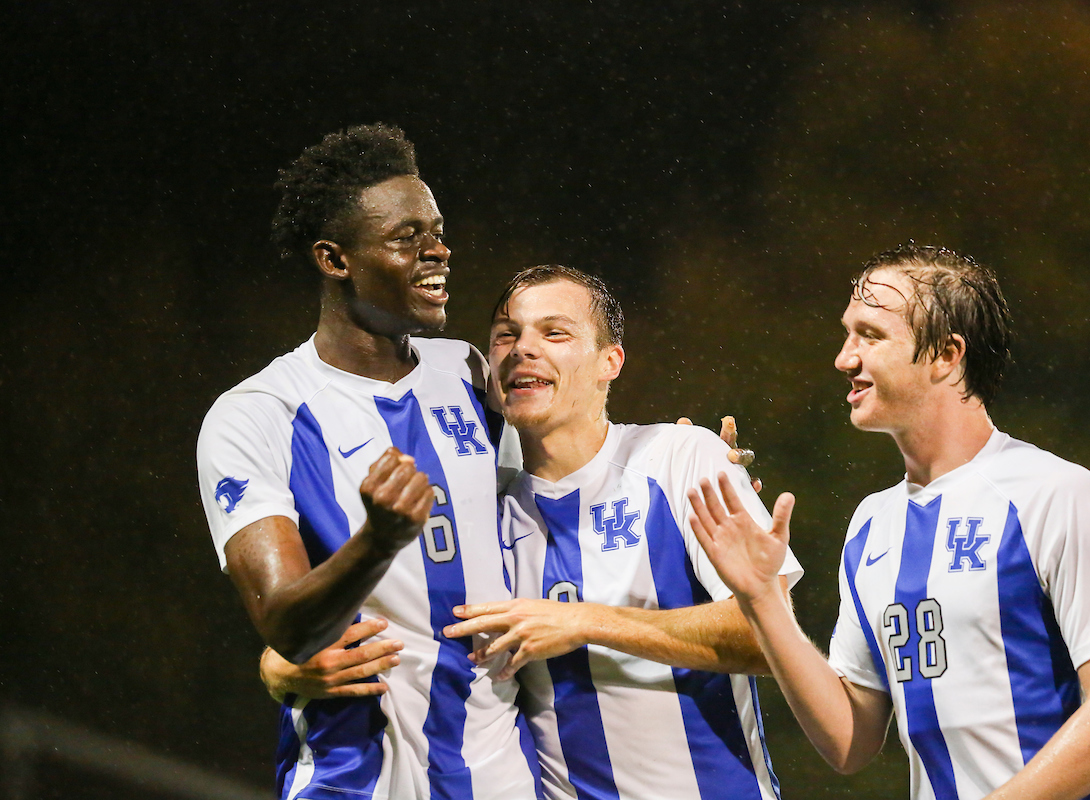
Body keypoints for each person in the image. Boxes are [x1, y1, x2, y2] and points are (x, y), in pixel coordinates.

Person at [688, 244, 1090, 800]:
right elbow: (850, 741)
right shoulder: (872, 524)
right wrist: (762, 599)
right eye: (847, 334)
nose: (845, 358)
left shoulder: (1054, 493)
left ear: (945, 354)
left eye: (870, 335)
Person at [196, 124, 540, 800]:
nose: (437, 251)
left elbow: (564, 497)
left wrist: (677, 468)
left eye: (437, 231)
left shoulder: (471, 372)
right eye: (406, 237)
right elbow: (287, 626)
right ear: (334, 258)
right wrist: (377, 544)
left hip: (500, 771)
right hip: (352, 778)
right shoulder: (258, 414)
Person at [437, 265, 804, 800]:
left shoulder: (682, 457)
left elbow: (769, 638)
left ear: (611, 362)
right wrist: (286, 663)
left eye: (554, 332)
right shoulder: (479, 516)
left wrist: (585, 622)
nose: (522, 348)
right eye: (506, 334)